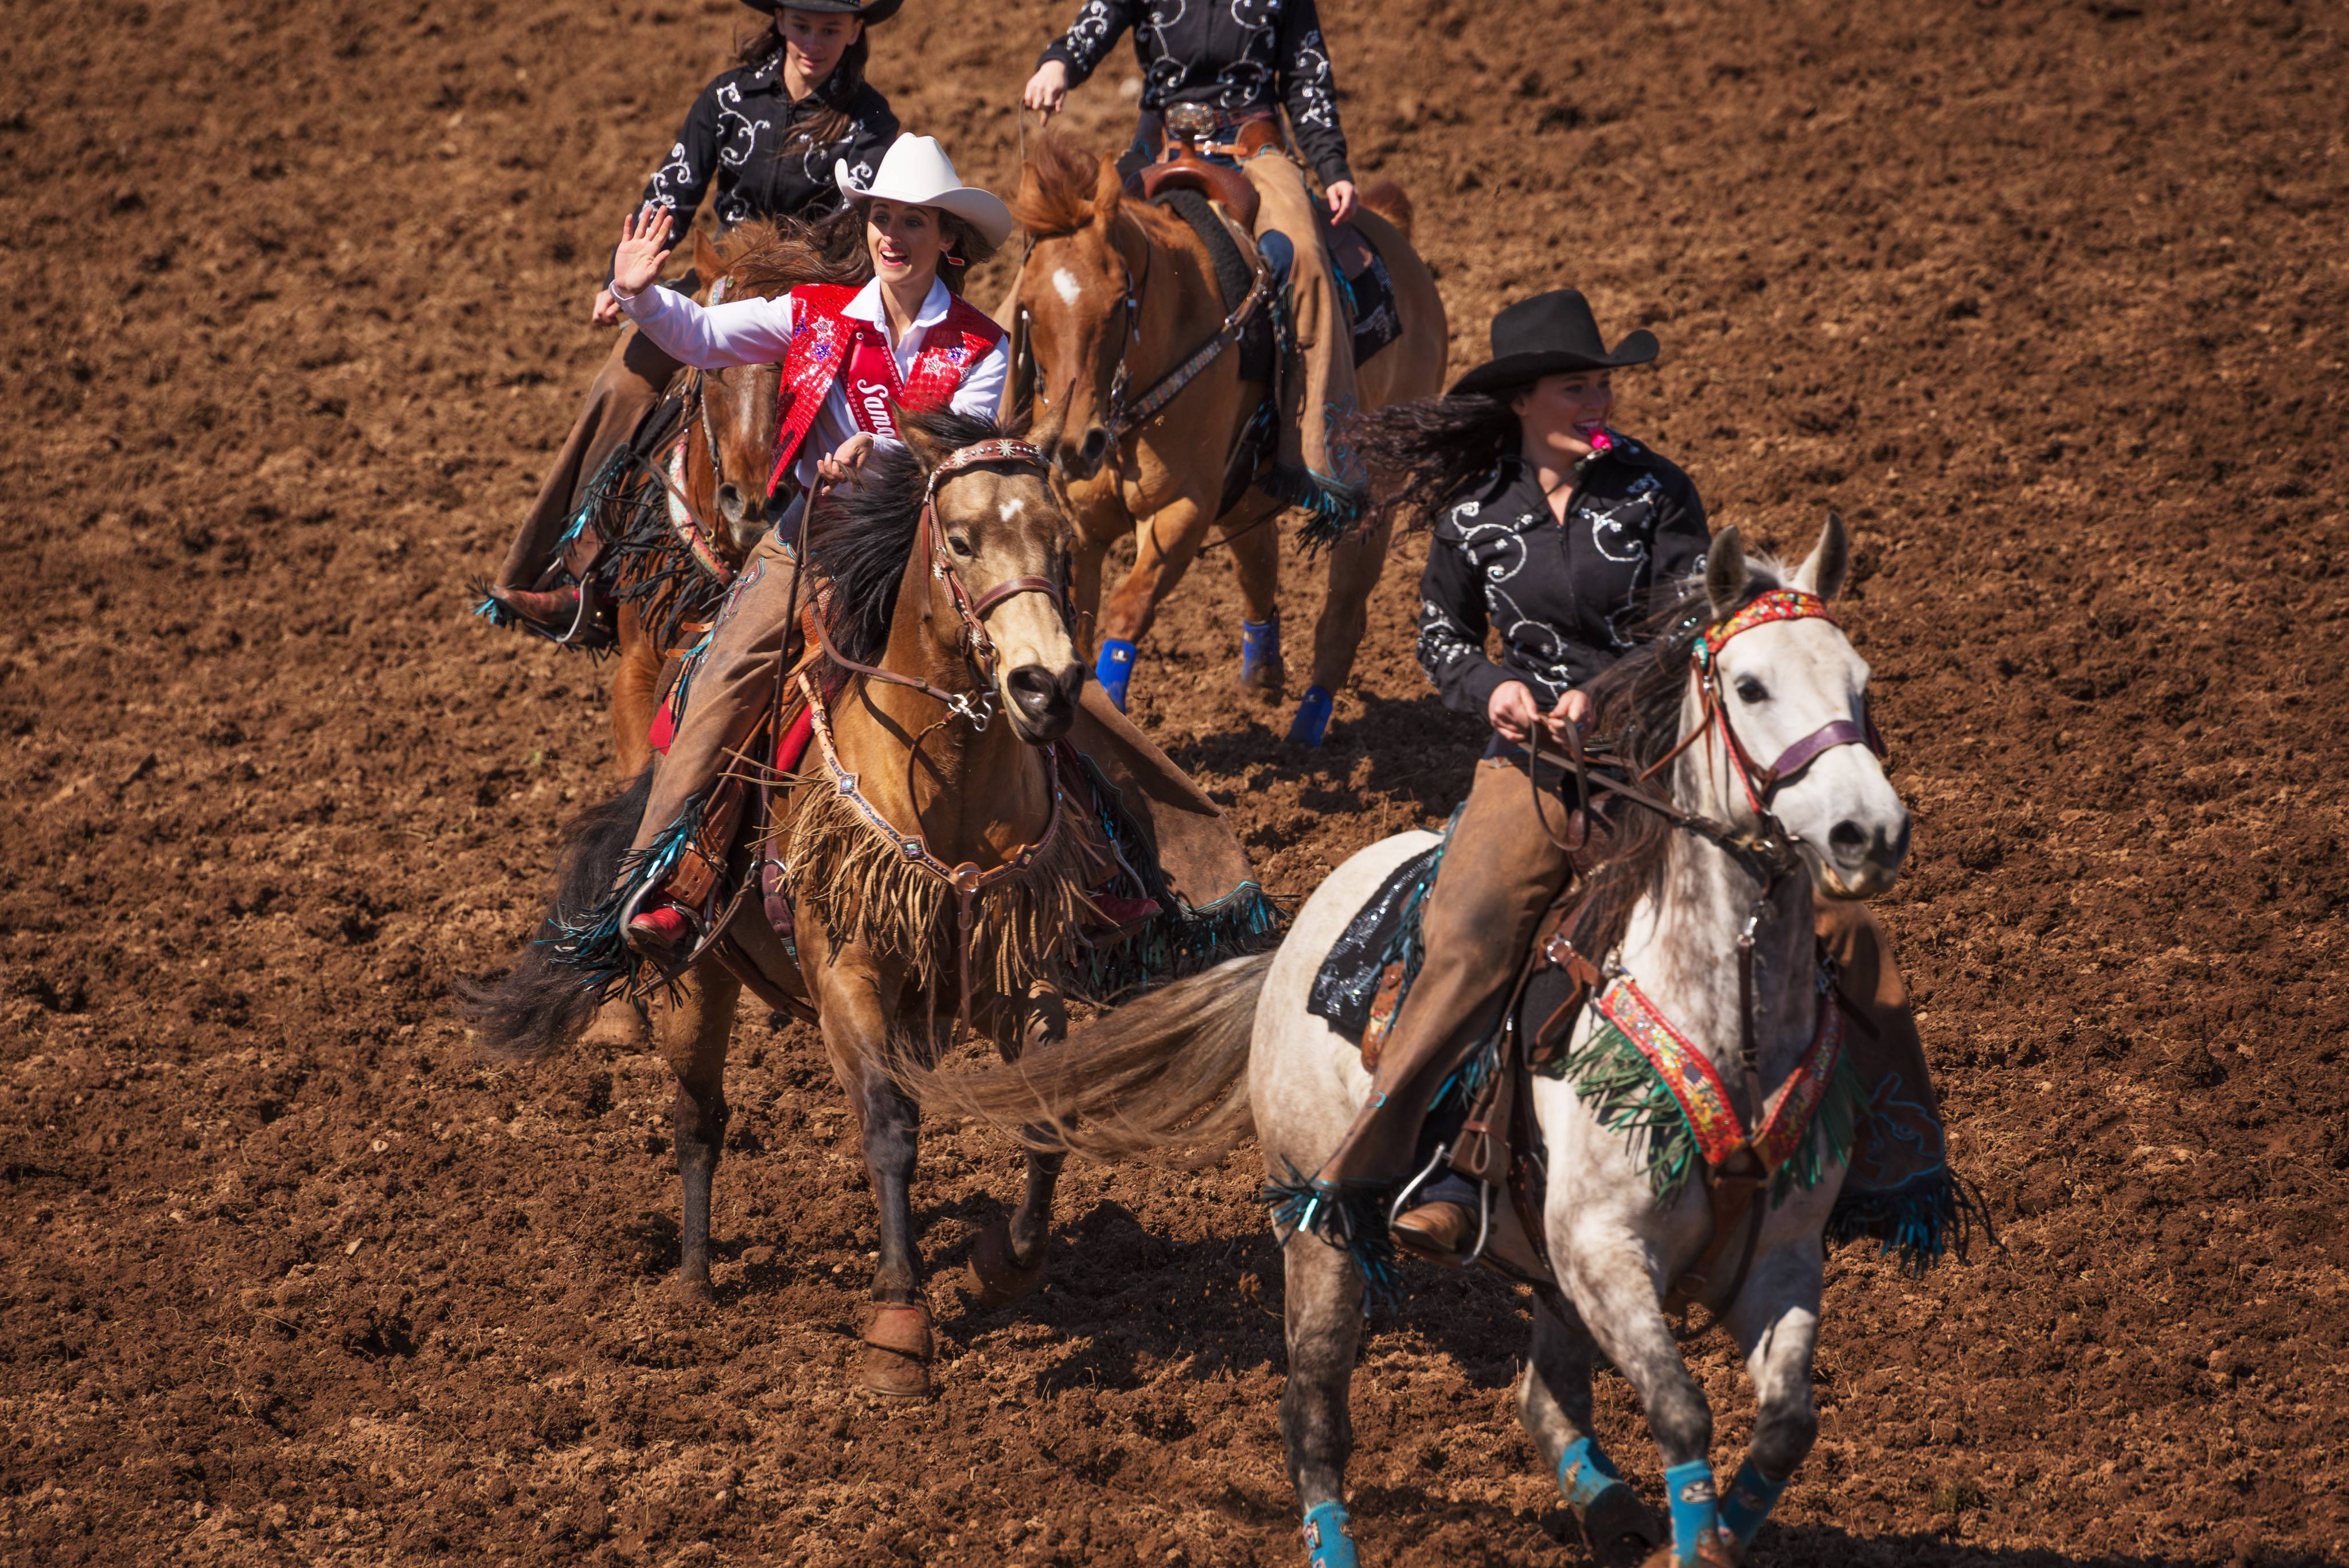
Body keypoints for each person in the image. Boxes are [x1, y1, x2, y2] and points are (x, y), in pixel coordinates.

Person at [1330, 290, 1710, 1262]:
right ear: (1522, 403)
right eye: (1575, 387)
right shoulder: (1473, 511)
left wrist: (1606, 693)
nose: (1597, 401)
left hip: (1653, 758)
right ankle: (1427, 1163)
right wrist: (1493, 687)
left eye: (1601, 385)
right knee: (1467, 929)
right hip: (1529, 763)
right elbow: (1441, 634)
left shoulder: (1656, 491)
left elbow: (1689, 626)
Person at [598, 133, 1015, 958]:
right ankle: (664, 873)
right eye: (882, 218)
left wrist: (883, 456)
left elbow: (962, 451)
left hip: (928, 554)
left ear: (948, 239)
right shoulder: (815, 314)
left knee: (1040, 663)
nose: (893, 235)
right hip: (812, 544)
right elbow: (703, 336)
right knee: (723, 677)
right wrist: (639, 295)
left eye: (914, 222)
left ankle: (1107, 867)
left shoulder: (984, 346)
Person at [485, 0, 906, 643]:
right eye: (801, 25)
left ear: (855, 31)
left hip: (808, 301)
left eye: (829, 28)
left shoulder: (871, 122)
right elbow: (673, 190)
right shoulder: (729, 98)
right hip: (718, 281)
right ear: (780, 22)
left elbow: (860, 229)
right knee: (621, 386)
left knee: (866, 415)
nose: (813, 42)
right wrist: (623, 276)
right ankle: (575, 573)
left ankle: (870, 592)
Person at [1021, 0, 1368, 523]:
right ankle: (1006, 435)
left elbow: (1307, 73)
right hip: (1156, 146)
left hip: (1252, 150)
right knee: (1053, 258)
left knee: (1304, 259)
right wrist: (1060, 62)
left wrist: (1332, 165)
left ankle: (1313, 445)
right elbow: (1103, 15)